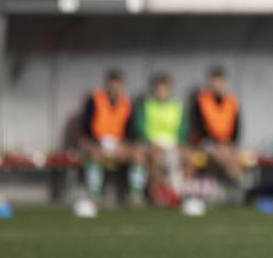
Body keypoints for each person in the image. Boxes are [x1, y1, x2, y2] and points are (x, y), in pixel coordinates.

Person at [79, 69, 146, 208]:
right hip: (97, 142)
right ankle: (94, 195)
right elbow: (85, 127)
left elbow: (131, 131)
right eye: (112, 83)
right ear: (107, 84)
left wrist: (124, 145)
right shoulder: (95, 100)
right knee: (94, 155)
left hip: (118, 144)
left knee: (138, 156)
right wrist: (94, 144)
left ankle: (135, 195)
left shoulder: (126, 103)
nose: (114, 87)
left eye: (117, 84)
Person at [133, 73, 190, 206]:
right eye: (158, 89)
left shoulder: (177, 106)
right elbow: (140, 128)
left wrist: (178, 144)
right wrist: (150, 142)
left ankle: (182, 193)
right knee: (155, 158)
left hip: (172, 144)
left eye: (164, 89)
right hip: (152, 143)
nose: (161, 92)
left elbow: (183, 131)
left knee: (189, 157)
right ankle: (156, 195)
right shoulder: (145, 105)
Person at [190, 66, 246, 188]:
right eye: (214, 81)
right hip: (206, 143)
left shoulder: (231, 101)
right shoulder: (201, 100)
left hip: (227, 143)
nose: (217, 84)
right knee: (222, 155)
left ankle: (239, 184)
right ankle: (237, 185)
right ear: (209, 82)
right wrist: (218, 143)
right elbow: (199, 127)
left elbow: (236, 126)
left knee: (235, 155)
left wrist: (230, 143)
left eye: (220, 81)